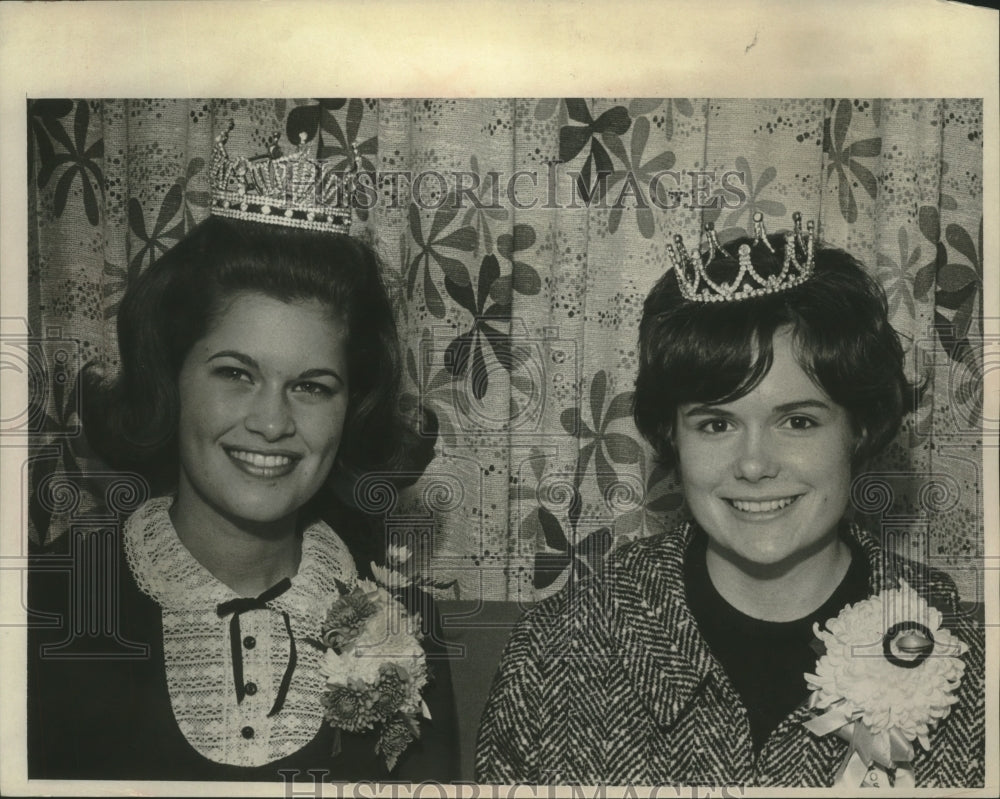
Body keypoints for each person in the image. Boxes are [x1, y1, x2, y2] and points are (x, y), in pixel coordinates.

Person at [475, 213, 985, 787]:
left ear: (860, 428)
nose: (753, 465)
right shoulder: (559, 649)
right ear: (673, 436)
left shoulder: (968, 666)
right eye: (716, 424)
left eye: (797, 421)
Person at [27, 125, 459, 782]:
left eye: (312, 386)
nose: (272, 421)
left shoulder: (411, 625)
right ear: (169, 376)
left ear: (352, 410)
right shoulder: (45, 601)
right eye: (235, 373)